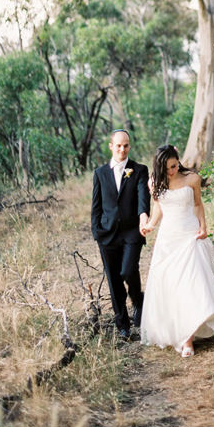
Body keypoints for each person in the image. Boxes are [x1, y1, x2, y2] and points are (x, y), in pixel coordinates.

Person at [140, 144, 214, 357]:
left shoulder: (192, 179)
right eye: (167, 168)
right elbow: (158, 208)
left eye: (174, 166)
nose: (171, 171)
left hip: (190, 235)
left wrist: (203, 227)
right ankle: (181, 333)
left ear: (178, 161)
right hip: (168, 239)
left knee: (192, 282)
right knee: (173, 287)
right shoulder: (154, 182)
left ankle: (188, 338)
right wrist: (150, 225)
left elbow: (198, 205)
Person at [91, 129, 150, 339]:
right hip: (107, 235)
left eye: (125, 145)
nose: (122, 149)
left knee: (127, 270)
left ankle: (138, 300)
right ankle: (122, 324)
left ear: (129, 146)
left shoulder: (140, 170)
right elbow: (96, 206)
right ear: (111, 146)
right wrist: (96, 232)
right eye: (118, 145)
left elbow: (143, 197)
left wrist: (144, 217)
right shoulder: (100, 173)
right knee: (114, 281)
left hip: (132, 231)